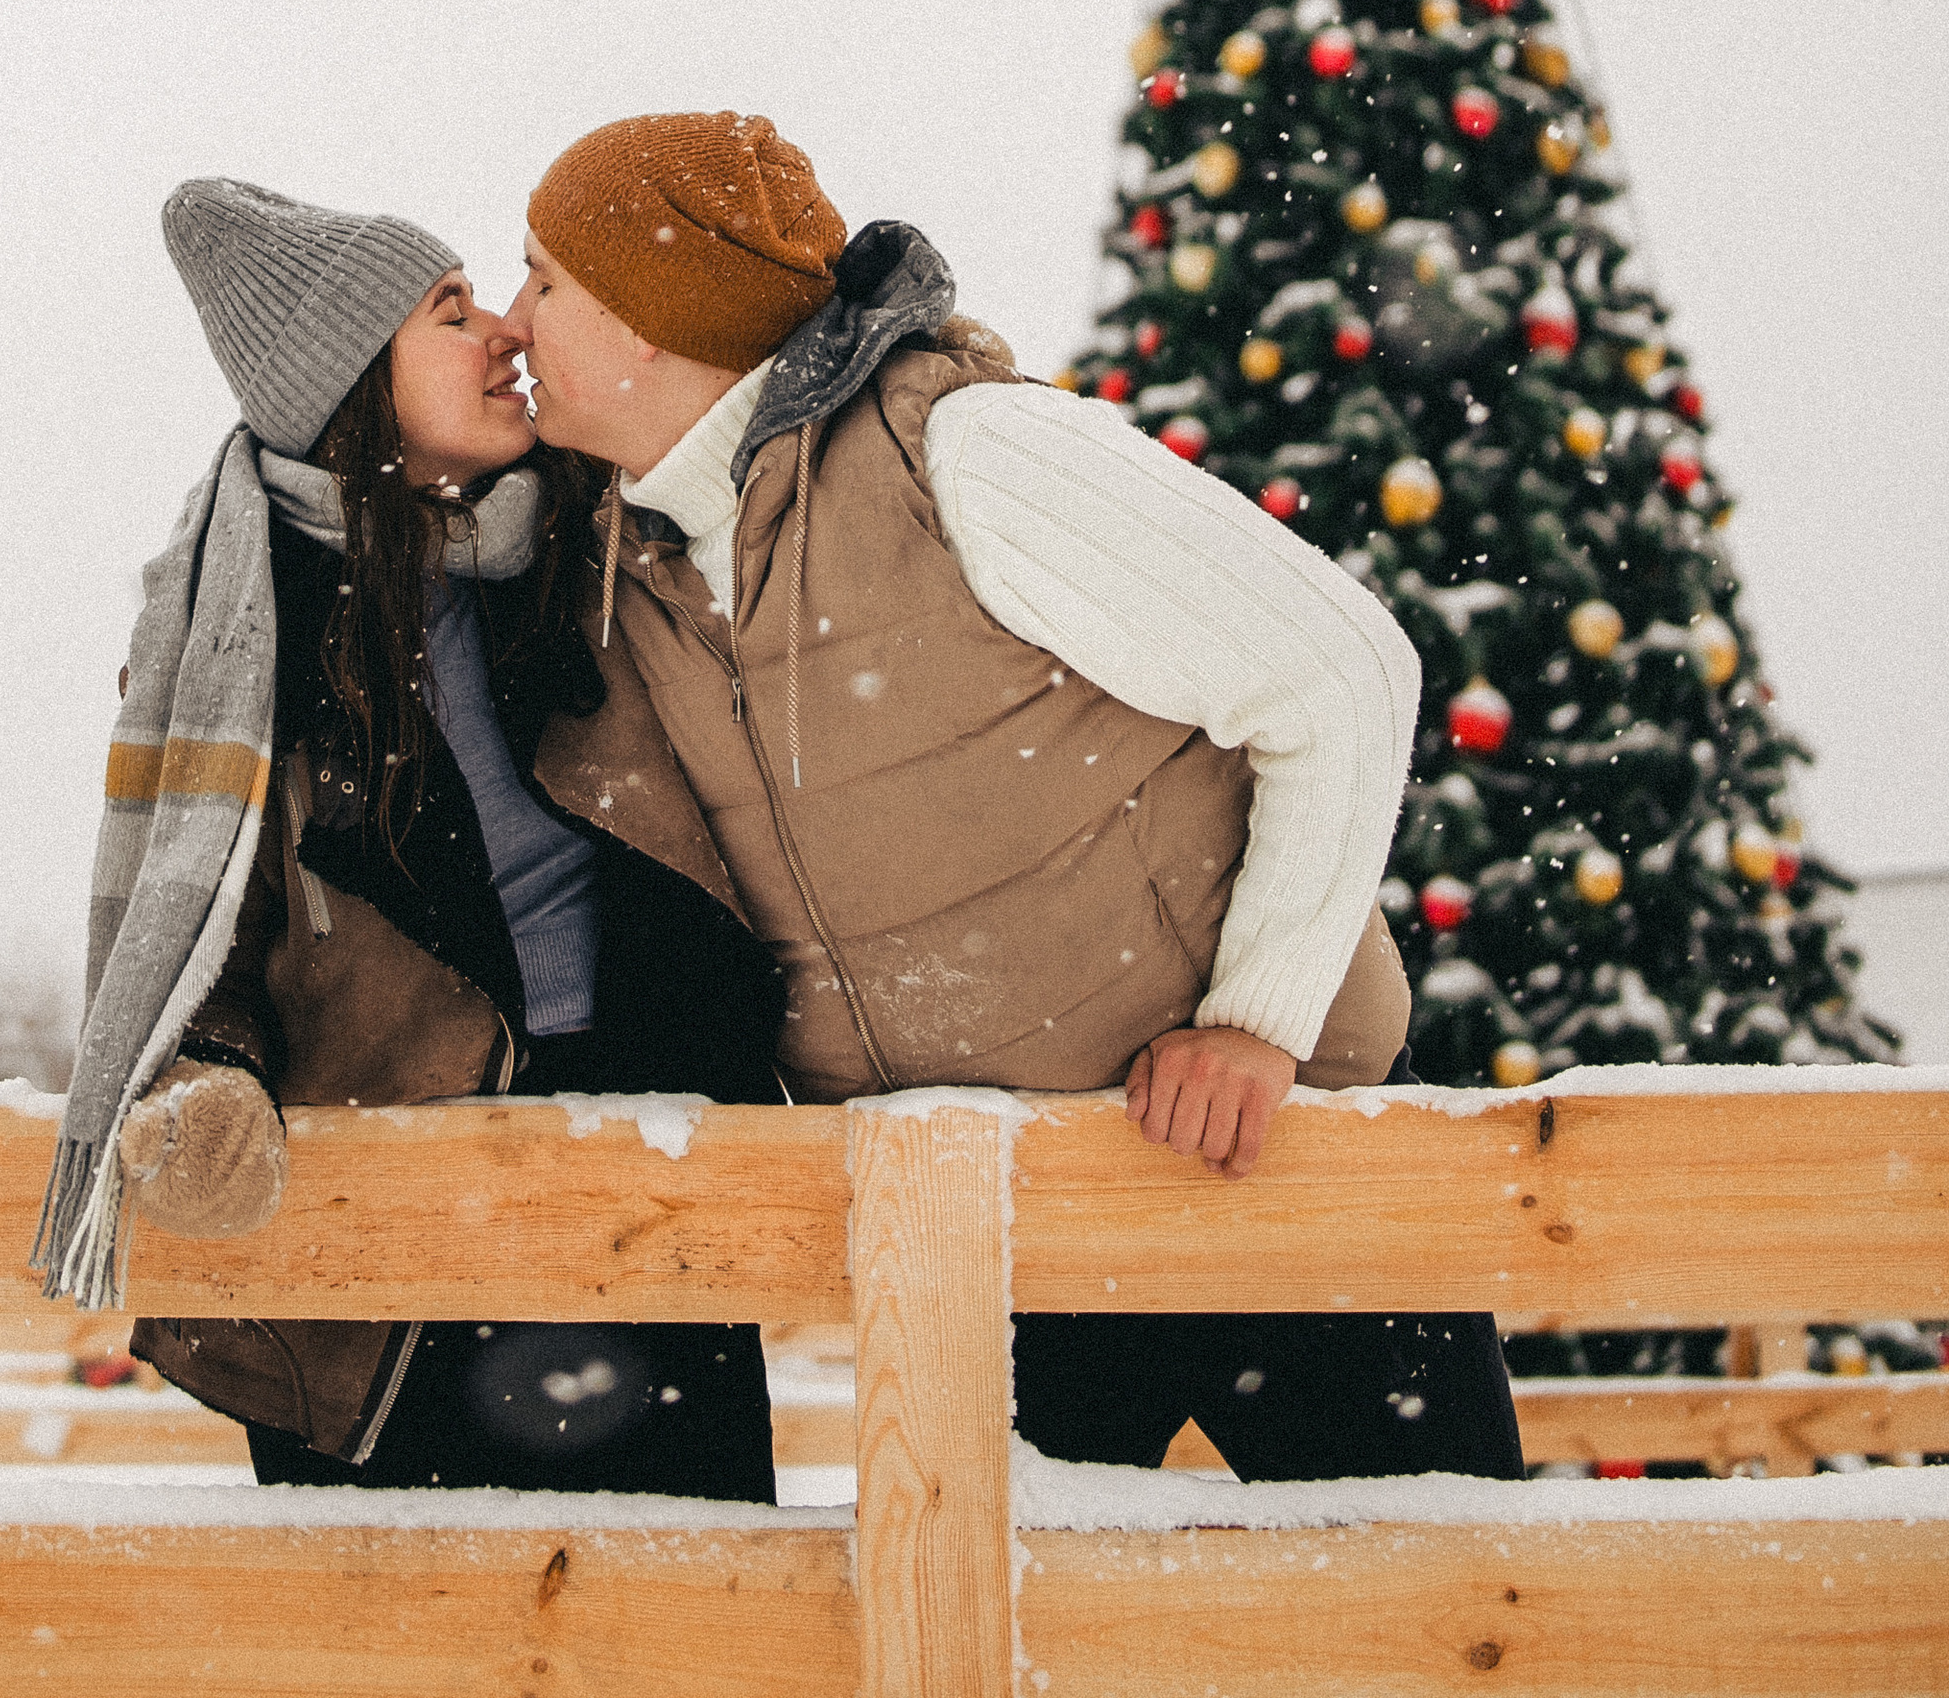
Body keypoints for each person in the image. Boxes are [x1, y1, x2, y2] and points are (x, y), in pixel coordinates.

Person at [504, 108, 1526, 1485]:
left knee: (1451, 1627)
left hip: (1265, 1169)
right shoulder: (636, 564)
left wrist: (1256, 1024)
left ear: (647, 315)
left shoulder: (960, 456)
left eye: (544, 278)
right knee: (990, 1640)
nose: (515, 321)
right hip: (1001, 1215)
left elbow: (1340, 671)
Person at [37, 177, 787, 1496]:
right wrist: (202, 1079)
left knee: (697, 1629)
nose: (505, 328)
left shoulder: (603, 550)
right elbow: (215, 910)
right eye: (451, 311)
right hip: (382, 1242)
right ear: (355, 386)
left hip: (642, 1178)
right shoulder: (244, 640)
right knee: (409, 1639)